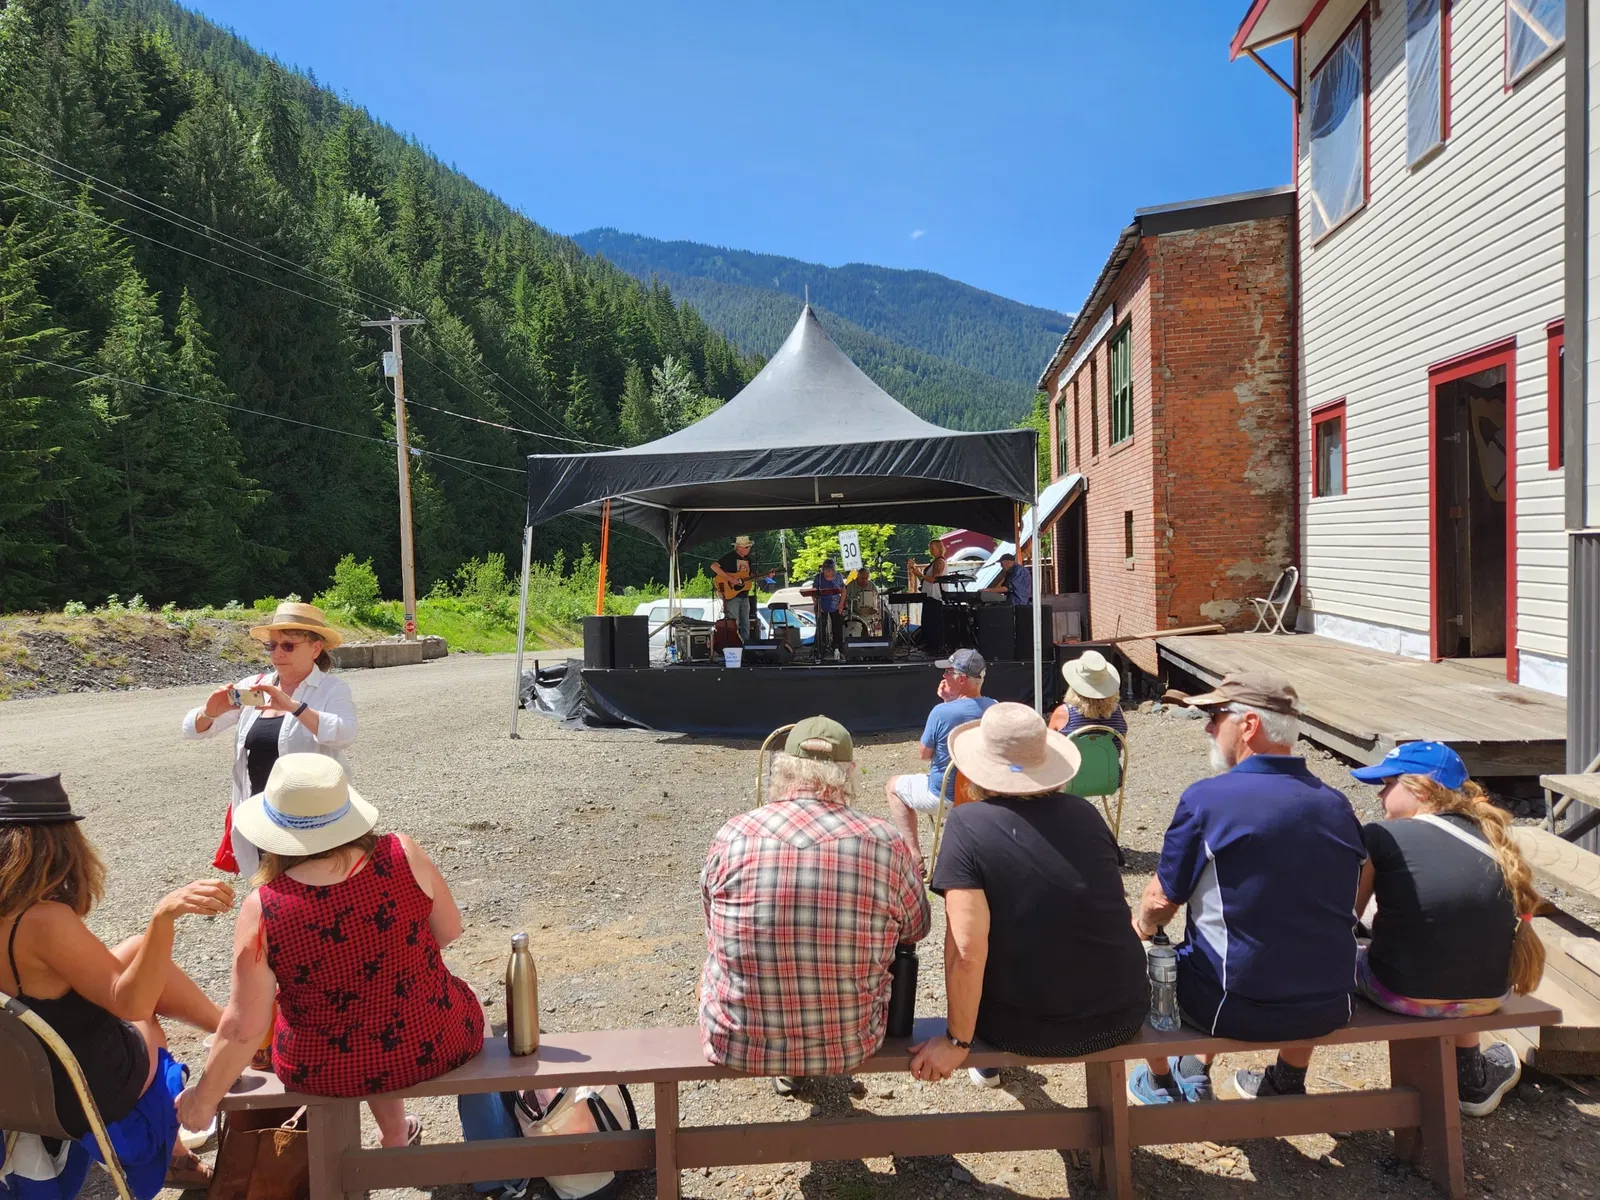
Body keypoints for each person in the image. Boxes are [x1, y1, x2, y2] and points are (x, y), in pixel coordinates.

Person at [175, 754, 483, 1148]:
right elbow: (449, 930)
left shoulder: (265, 907)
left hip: (325, 1067)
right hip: (439, 1040)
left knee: (356, 1031)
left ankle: (380, 1140)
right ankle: (398, 1136)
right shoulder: (402, 853)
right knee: (398, 1010)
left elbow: (243, 1028)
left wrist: (203, 1100)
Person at [1126, 672, 1365, 1105]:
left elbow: (1161, 899)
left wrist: (1139, 928)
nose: (1208, 727)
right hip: (1329, 1002)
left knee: (1153, 962)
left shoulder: (1209, 800)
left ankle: (1166, 1084)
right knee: (1280, 930)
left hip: (1233, 1006)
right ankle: (1282, 1075)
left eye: (1217, 716)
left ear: (1249, 725)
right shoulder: (1336, 803)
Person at [0, 772, 227, 1195]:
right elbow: (134, 1004)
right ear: (53, 843)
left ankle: (230, 1029)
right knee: (145, 1008)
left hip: (13, 1084)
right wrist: (164, 919)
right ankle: (234, 1046)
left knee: (130, 952)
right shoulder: (44, 921)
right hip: (77, 1095)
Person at [909, 704, 1147, 1090]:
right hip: (1121, 1011)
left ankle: (984, 1060)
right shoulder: (1086, 813)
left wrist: (956, 1041)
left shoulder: (968, 824)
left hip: (1027, 1028)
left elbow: (966, 952)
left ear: (977, 768)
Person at [699, 716, 929, 1097]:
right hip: (851, 1040)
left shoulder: (734, 833)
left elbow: (712, 923)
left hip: (738, 1040)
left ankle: (789, 1063)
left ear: (783, 770)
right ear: (849, 773)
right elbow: (916, 928)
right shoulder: (885, 842)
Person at [1338, 741, 1544, 1116]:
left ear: (1420, 788)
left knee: (1348, 951)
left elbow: (1344, 916)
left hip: (1402, 992)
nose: (1381, 793)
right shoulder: (1493, 837)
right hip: (1489, 994)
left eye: (1386, 783)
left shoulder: (1381, 835)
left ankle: (1287, 1074)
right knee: (1457, 941)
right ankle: (1471, 1078)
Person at [182, 601, 357, 877]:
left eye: (288, 645)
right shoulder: (256, 685)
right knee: (270, 895)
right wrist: (209, 712)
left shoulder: (331, 688)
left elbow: (345, 733)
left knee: (314, 891)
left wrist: (295, 707)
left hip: (313, 819)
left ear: (315, 648)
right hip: (262, 817)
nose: (277, 653)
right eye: (272, 646)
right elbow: (192, 730)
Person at [884, 649, 997, 869]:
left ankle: (914, 856)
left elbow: (924, 755)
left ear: (962, 679)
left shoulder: (941, 712)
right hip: (983, 794)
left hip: (946, 796)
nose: (943, 676)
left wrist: (946, 704)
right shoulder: (994, 707)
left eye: (948, 672)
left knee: (892, 786)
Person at [1048, 651, 1128, 736]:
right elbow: (1122, 742)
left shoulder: (1063, 713)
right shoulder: (1117, 713)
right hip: (1108, 749)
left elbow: (1048, 744)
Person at [711, 536, 757, 642]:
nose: (748, 548)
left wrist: (766, 575)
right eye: (746, 547)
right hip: (731, 596)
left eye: (749, 546)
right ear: (739, 547)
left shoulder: (748, 560)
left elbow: (747, 577)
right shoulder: (730, 557)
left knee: (746, 622)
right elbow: (713, 566)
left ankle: (745, 646)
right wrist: (730, 578)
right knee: (733, 623)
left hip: (744, 595)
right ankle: (733, 645)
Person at [810, 559, 846, 661]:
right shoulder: (819, 578)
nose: (827, 572)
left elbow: (843, 591)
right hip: (822, 605)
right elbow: (813, 592)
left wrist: (841, 605)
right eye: (825, 570)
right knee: (821, 628)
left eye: (829, 570)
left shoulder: (838, 576)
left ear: (833, 570)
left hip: (835, 605)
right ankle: (819, 649)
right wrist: (816, 604)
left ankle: (838, 648)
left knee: (837, 628)